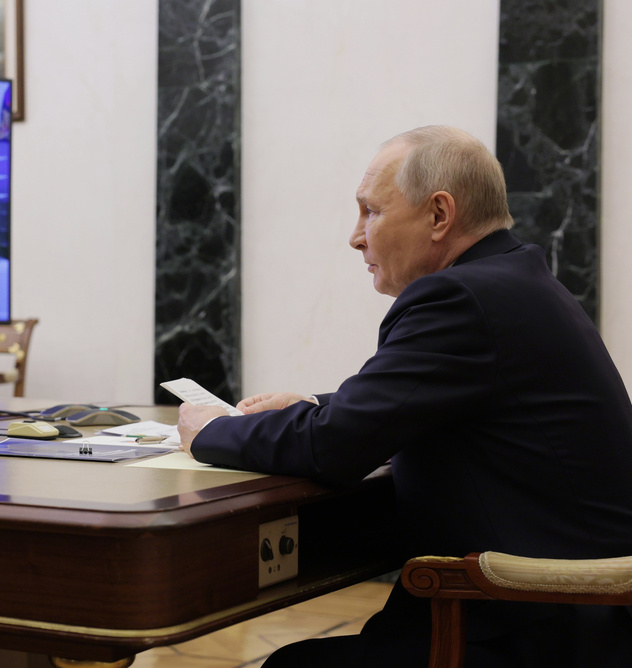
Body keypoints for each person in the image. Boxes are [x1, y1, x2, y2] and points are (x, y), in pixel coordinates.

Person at [177, 126, 632, 668]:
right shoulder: (510, 279)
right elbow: (428, 402)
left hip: (527, 623)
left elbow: (333, 448)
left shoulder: (459, 297)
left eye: (371, 212)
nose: (356, 236)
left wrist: (211, 431)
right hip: (576, 618)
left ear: (439, 216)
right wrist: (312, 404)